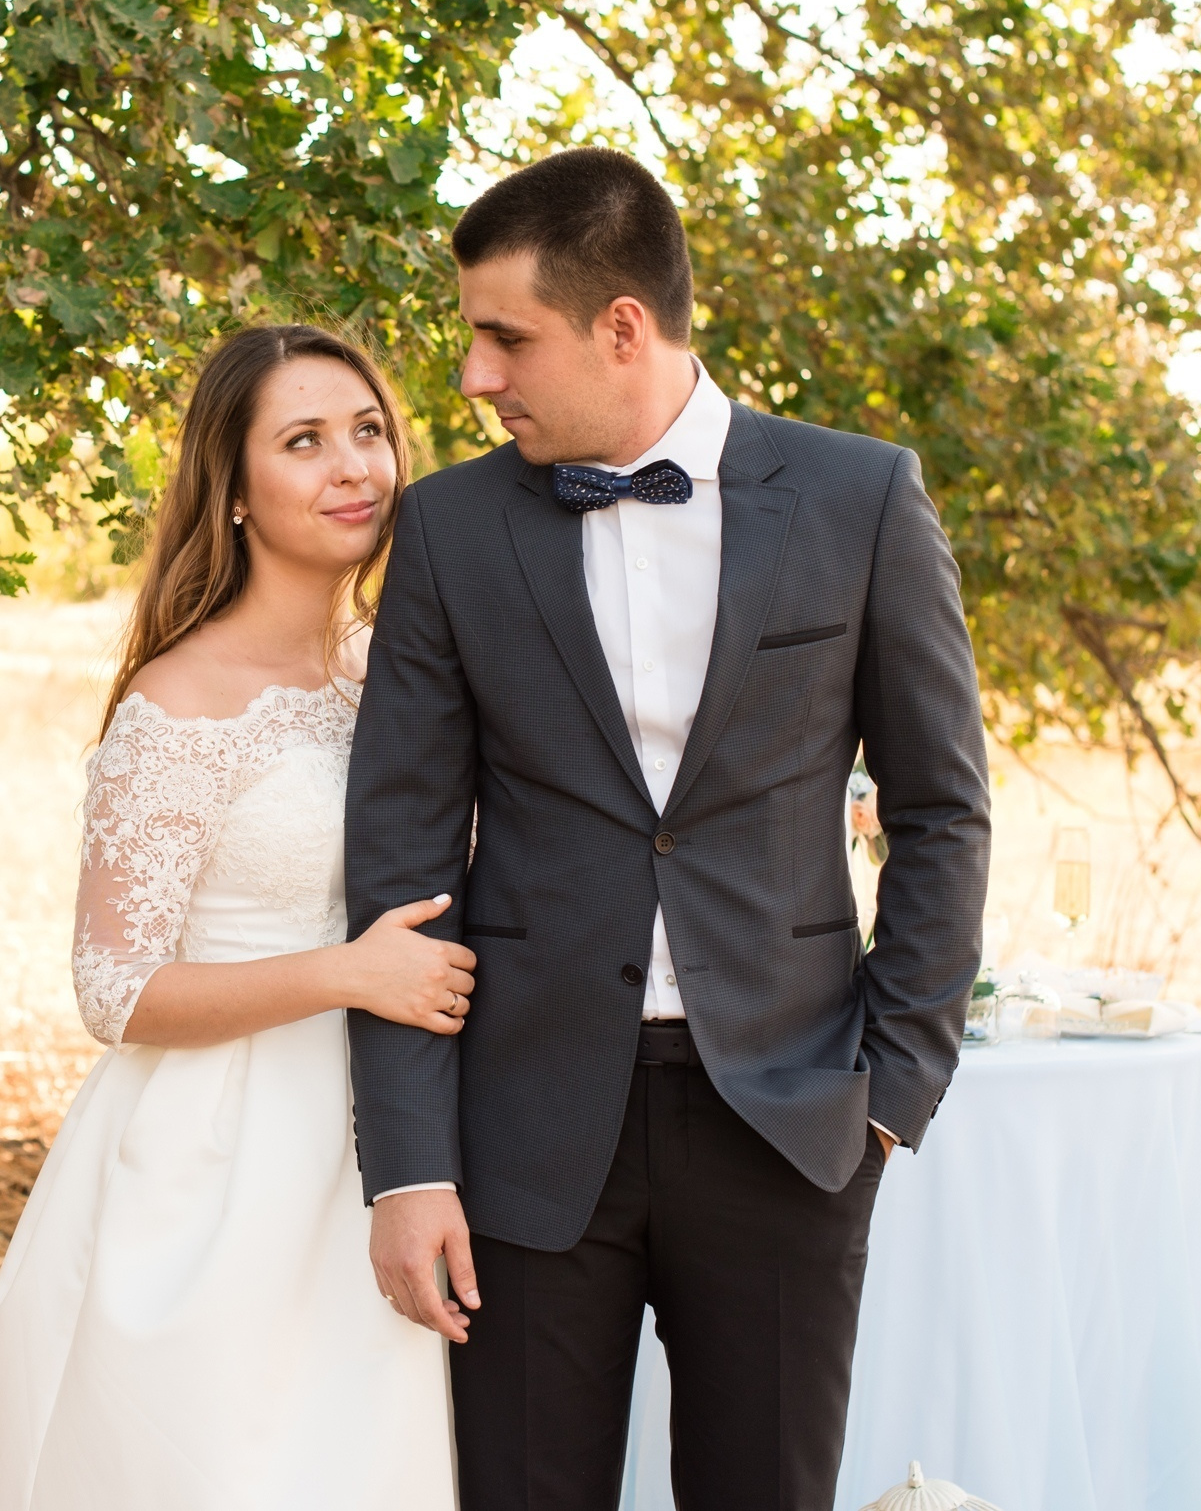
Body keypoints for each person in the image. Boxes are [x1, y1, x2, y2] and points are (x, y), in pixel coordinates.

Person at [346, 147, 992, 1511]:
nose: (474, 376)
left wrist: (892, 1088)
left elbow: (941, 808)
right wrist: (405, 1164)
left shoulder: (860, 496)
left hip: (789, 1123)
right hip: (523, 1129)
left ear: (621, 326)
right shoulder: (451, 528)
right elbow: (399, 860)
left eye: (503, 336)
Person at [0, 325, 471, 1510]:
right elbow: (114, 989)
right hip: (221, 1161)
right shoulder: (179, 702)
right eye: (304, 442)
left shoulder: (395, 667)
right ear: (234, 490)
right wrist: (347, 976)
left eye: (367, 432)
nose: (353, 467)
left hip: (395, 1139)